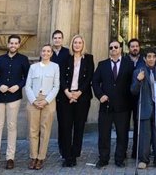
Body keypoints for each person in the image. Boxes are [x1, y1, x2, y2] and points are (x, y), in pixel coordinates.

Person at [0, 34, 30, 171]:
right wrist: (0, 86)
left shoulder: (23, 59)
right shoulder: (0, 59)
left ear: (19, 45)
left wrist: (18, 86)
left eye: (16, 43)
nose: (13, 45)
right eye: (11, 43)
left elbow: (28, 77)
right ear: (8, 44)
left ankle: (10, 158)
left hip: (14, 97)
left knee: (12, 126)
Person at [92, 40, 134, 168]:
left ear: (120, 49)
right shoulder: (102, 64)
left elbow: (133, 83)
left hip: (123, 106)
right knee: (104, 134)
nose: (113, 49)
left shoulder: (129, 64)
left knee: (122, 134)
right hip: (106, 105)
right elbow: (95, 82)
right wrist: (100, 95)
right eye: (111, 47)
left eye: (116, 47)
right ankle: (103, 159)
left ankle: (120, 159)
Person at [58, 34, 94, 167]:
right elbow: (61, 77)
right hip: (66, 97)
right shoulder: (65, 58)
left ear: (83, 44)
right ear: (72, 45)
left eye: (79, 43)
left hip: (82, 97)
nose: (77, 45)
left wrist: (78, 93)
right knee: (66, 127)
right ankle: (67, 156)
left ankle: (75, 155)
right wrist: (68, 93)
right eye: (75, 43)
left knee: (79, 127)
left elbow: (89, 77)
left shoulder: (89, 58)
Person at [131, 48, 156, 169]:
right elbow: (133, 91)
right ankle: (144, 160)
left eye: (153, 56)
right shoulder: (138, 72)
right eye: (149, 57)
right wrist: (138, 80)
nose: (151, 59)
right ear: (145, 58)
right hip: (145, 107)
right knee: (144, 136)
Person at [26, 44, 60, 170]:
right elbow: (28, 85)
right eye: (44, 51)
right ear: (40, 53)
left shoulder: (55, 67)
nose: (46, 53)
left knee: (45, 130)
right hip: (33, 100)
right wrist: (34, 100)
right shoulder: (33, 67)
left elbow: (56, 86)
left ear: (51, 53)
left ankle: (41, 158)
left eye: (48, 51)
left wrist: (46, 100)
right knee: (33, 130)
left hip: (48, 101)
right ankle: (33, 156)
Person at [48, 30, 69, 158]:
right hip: (49, 90)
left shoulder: (67, 52)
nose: (57, 40)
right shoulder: (47, 52)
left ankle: (63, 149)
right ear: (52, 39)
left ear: (62, 39)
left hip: (63, 91)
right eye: (55, 38)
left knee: (63, 121)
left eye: (59, 38)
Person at [126, 38, 144, 159]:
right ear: (129, 48)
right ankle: (122, 151)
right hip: (125, 97)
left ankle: (136, 151)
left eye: (136, 46)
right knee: (124, 126)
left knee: (139, 125)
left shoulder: (144, 60)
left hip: (139, 97)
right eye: (132, 46)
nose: (135, 48)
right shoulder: (123, 60)